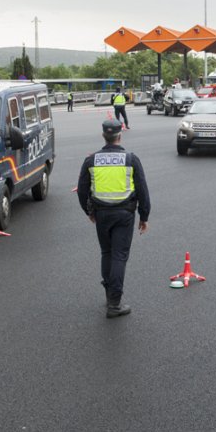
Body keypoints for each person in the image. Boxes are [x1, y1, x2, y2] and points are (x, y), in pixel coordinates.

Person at [77, 119, 151, 319]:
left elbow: (82, 190)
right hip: (125, 214)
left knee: (107, 253)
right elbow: (143, 190)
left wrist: (89, 211)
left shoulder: (91, 160)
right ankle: (114, 304)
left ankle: (109, 294)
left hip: (101, 214)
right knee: (119, 256)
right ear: (120, 135)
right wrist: (144, 216)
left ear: (103, 135)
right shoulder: (131, 159)